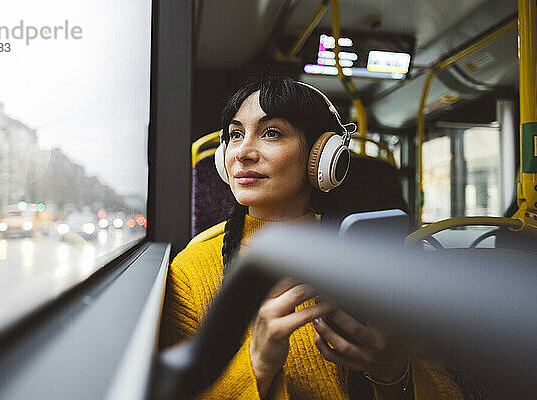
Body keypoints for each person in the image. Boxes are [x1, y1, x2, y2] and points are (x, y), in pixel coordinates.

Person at [159, 76, 464, 399]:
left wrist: (392, 367)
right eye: (236, 135)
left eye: (271, 133)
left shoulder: (373, 261)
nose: (243, 152)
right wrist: (257, 366)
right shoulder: (190, 270)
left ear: (322, 155)